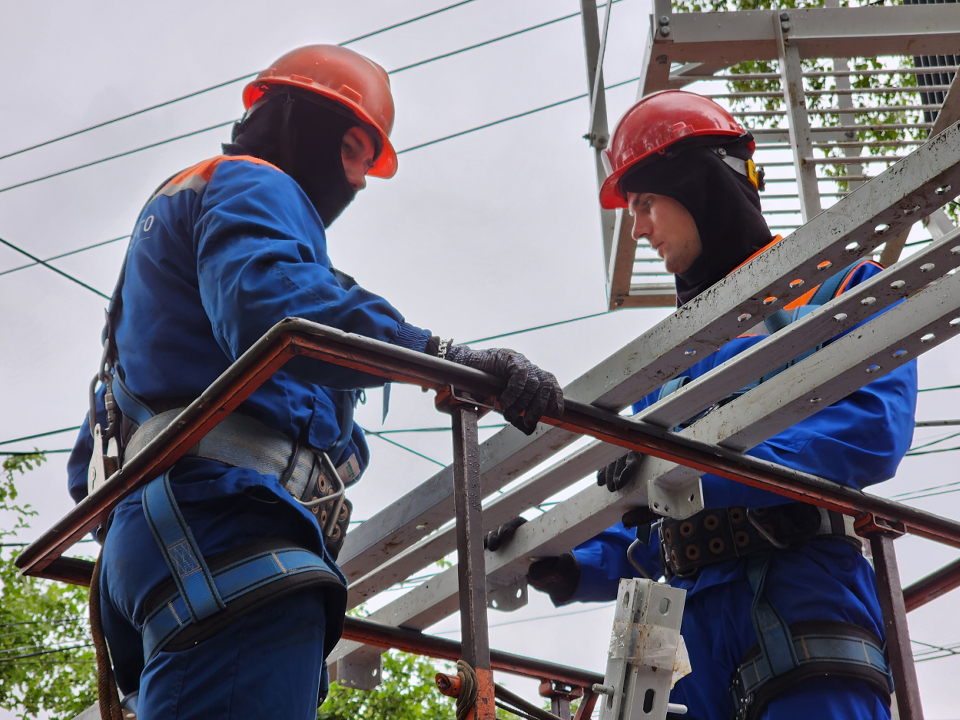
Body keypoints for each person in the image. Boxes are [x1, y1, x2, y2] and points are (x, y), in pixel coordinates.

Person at [66, 44, 562, 720]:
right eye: (360, 157)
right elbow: (276, 309)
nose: (357, 185)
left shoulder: (165, 247)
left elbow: (87, 472)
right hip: (226, 529)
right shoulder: (252, 184)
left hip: (158, 543)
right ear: (331, 133)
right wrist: (439, 357)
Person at [486, 91, 916, 720]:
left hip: (799, 592)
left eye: (645, 203)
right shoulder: (673, 362)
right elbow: (650, 518)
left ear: (700, 185)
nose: (638, 228)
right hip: (681, 628)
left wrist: (692, 471)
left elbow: (869, 430)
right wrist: (566, 557)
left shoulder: (839, 288)